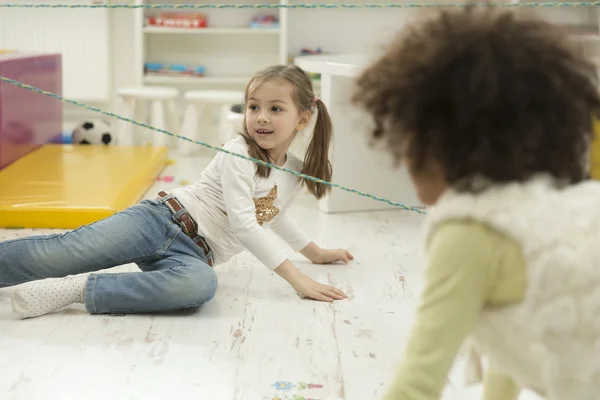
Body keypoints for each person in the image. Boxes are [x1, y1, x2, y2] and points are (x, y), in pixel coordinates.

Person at [352, 4, 600, 400]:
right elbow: (518, 327)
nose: (402, 157)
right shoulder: (552, 200)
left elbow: (416, 386)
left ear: (437, 143)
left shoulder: (469, 232)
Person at [1, 64, 353, 319]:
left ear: (303, 119)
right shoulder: (238, 152)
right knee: (63, 253)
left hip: (194, 256)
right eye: (253, 107)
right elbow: (245, 225)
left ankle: (79, 290)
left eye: (275, 109)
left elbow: (275, 217)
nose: (260, 117)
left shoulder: (292, 171)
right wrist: (297, 278)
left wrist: (315, 252)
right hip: (159, 220)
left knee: (199, 287)